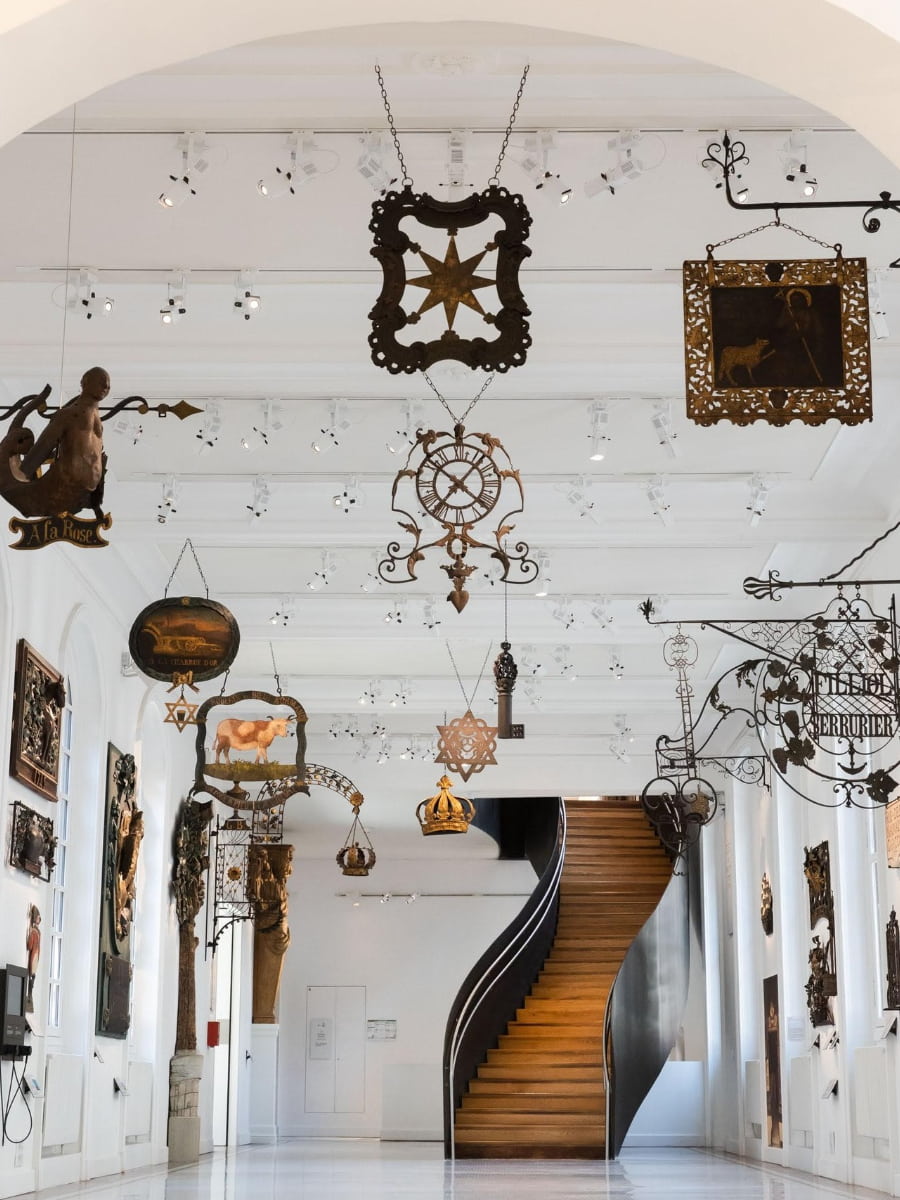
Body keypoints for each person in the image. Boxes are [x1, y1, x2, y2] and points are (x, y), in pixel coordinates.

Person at [1, 367, 109, 519]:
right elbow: (43, 446)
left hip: (83, 494)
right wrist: (24, 471)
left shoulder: (98, 420)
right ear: (85, 383)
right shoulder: (68, 415)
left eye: (108, 385)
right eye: (101, 381)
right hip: (62, 489)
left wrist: (96, 498)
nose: (106, 386)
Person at [25, 905, 41, 1012]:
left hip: (35, 955)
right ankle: (29, 995)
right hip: (36, 955)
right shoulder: (37, 932)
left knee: (32, 975)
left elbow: (30, 946)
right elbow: (31, 946)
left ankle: (29, 995)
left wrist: (29, 934)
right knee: (32, 975)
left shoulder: (35, 932)